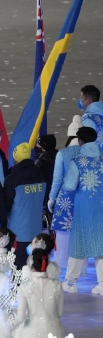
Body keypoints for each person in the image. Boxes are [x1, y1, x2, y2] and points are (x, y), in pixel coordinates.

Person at [5, 248, 64, 338]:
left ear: (31, 265)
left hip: (32, 333)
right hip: (54, 331)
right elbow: (59, 313)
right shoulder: (57, 285)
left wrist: (6, 327)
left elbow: (21, 317)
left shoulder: (24, 287)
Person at [60, 126, 103, 294]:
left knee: (78, 243)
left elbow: (69, 186)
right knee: (100, 244)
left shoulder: (77, 161)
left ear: (80, 141)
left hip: (83, 208)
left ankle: (71, 282)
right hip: (101, 206)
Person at [2, 142, 46, 267]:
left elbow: (6, 204)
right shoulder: (40, 176)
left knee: (18, 265)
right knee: (34, 264)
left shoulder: (12, 179)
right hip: (36, 229)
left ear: (15, 158)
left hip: (18, 231)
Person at [49, 116, 82, 282]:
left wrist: (51, 198)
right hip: (83, 197)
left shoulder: (63, 153)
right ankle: (81, 270)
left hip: (65, 198)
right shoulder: (90, 153)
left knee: (63, 234)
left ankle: (60, 267)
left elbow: (57, 179)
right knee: (80, 233)